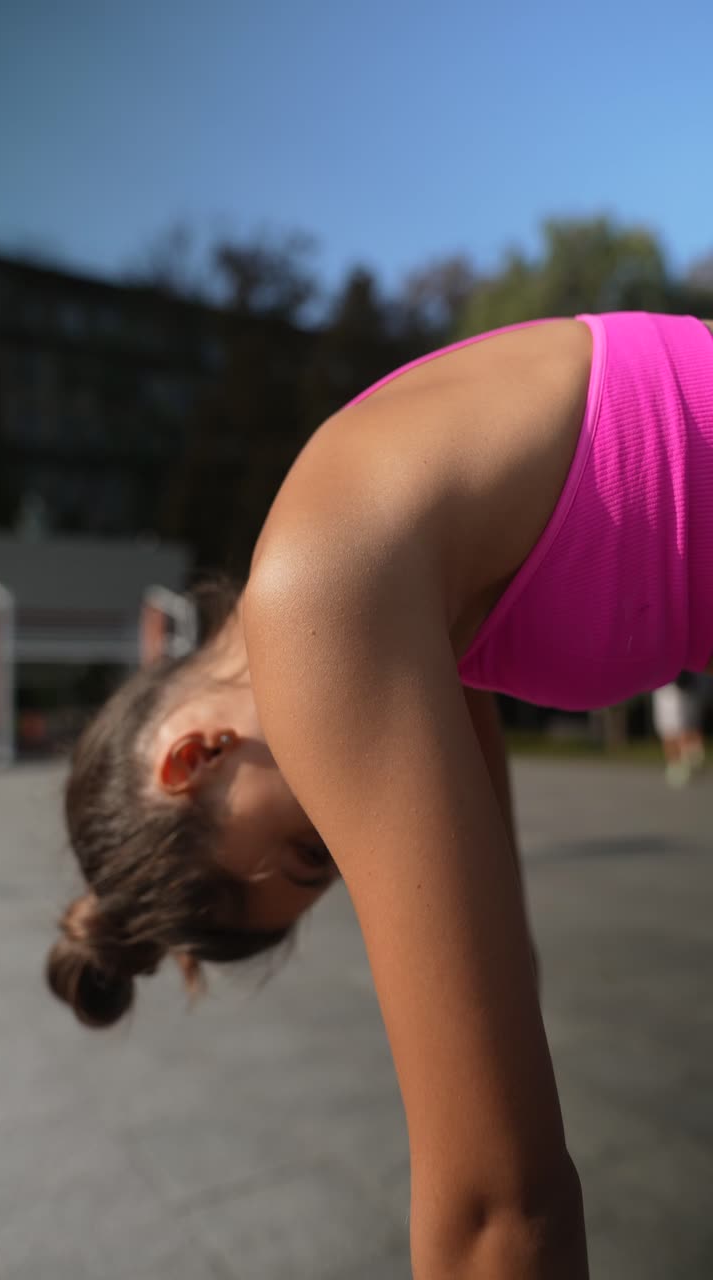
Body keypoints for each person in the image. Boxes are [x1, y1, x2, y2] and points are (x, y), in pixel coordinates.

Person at [47, 313, 713, 1279]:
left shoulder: (318, 595)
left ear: (194, 758)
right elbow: (500, 961)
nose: (367, 833)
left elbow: (499, 1214)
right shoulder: (376, 563)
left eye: (318, 844)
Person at [652, 671, 709, 786]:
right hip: (666, 685)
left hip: (683, 683)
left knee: (684, 726)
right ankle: (677, 764)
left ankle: (690, 759)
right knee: (669, 729)